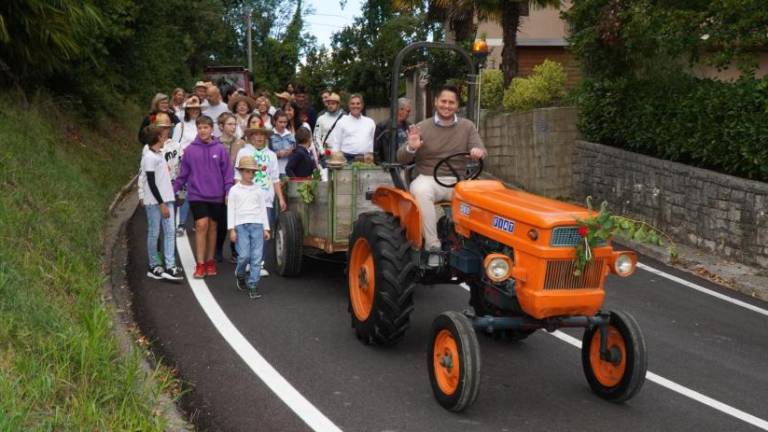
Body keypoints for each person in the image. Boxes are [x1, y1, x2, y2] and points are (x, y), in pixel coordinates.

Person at [396, 85, 486, 267]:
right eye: (443, 101)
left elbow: (482, 150)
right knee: (420, 190)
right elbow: (401, 157)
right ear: (436, 102)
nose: (447, 105)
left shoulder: (467, 127)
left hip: (458, 181)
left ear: (457, 105)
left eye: (451, 102)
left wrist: (478, 152)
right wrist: (412, 147)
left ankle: (473, 247)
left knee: (484, 198)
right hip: (429, 177)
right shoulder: (421, 127)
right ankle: (433, 247)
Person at [173, 115, 234, 278]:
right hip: (196, 194)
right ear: (197, 129)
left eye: (206, 127)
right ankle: (200, 264)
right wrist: (173, 190)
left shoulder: (220, 149)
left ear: (211, 129)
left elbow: (228, 172)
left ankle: (210, 261)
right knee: (201, 225)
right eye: (200, 128)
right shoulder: (190, 150)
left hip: (216, 195)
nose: (202, 130)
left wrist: (228, 191)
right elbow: (183, 174)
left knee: (213, 227)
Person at [235, 127, 287, 277]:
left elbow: (275, 178)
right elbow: (237, 176)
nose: (259, 137)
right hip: (246, 198)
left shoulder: (271, 155)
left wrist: (281, 198)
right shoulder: (244, 152)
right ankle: (246, 260)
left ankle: (259, 263)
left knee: (264, 231)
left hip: (265, 199)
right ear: (250, 137)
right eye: (256, 134)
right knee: (246, 230)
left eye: (262, 135)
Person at [140, 123, 184, 281]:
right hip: (155, 202)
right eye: (163, 133)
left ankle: (170, 265)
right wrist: (161, 203)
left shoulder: (159, 154)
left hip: (168, 199)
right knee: (154, 232)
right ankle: (153, 265)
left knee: (170, 232)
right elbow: (151, 183)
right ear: (158, 137)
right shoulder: (149, 157)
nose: (166, 134)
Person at [228, 155, 271, 299]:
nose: (250, 175)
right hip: (241, 225)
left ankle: (253, 285)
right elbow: (231, 210)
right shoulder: (234, 190)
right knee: (244, 255)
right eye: (247, 171)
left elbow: (262, 209)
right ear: (241, 172)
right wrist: (232, 229)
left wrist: (266, 228)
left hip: (257, 224)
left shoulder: (258, 190)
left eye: (253, 172)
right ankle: (240, 275)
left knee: (257, 257)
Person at [215, 112, 245, 262]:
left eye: (235, 124)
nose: (233, 127)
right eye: (230, 124)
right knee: (221, 220)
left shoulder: (241, 143)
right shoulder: (215, 142)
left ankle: (235, 250)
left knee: (236, 220)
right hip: (219, 185)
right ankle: (218, 249)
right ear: (221, 126)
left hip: (236, 184)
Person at [328, 94, 375, 162]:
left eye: (358, 103)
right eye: (352, 104)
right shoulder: (341, 122)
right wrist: (335, 160)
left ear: (362, 105)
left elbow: (373, 141)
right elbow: (336, 142)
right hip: (346, 159)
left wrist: (371, 155)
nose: (355, 106)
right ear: (349, 105)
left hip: (365, 159)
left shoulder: (370, 122)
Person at [374, 97, 412, 164]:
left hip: (405, 165)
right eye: (407, 111)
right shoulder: (382, 126)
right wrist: (381, 164)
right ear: (399, 109)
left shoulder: (410, 126)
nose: (407, 113)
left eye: (409, 111)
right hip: (389, 166)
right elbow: (376, 150)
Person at [313, 92, 344, 159]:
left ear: (338, 105)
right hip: (326, 153)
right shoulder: (320, 118)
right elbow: (316, 137)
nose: (330, 105)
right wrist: (322, 151)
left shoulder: (344, 118)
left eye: (333, 103)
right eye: (329, 103)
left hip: (341, 154)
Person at [270, 110, 295, 175]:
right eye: (280, 122)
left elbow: (295, 152)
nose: (283, 124)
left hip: (287, 169)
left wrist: (291, 152)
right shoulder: (270, 135)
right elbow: (265, 152)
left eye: (285, 122)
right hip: (273, 169)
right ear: (274, 122)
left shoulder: (290, 135)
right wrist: (277, 154)